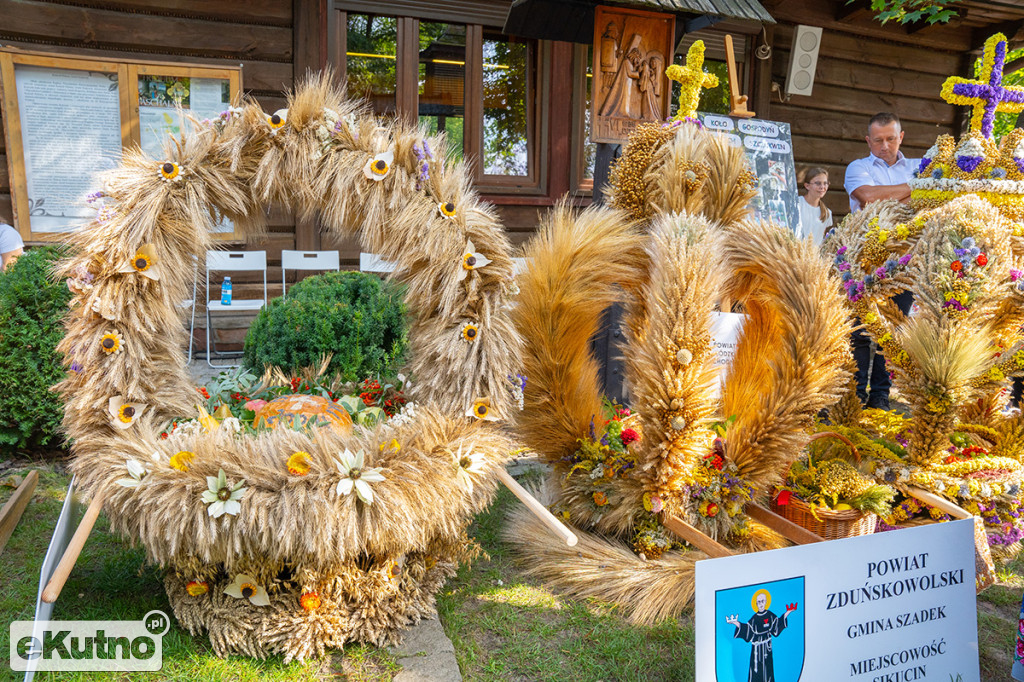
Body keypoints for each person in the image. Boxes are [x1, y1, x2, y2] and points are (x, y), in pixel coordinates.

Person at [844, 113, 918, 409]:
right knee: (861, 330)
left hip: (905, 261)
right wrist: (914, 189)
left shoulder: (918, 166)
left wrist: (890, 196)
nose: (885, 145)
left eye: (890, 138)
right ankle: (856, 393)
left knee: (894, 330)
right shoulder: (858, 167)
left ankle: (881, 395)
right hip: (864, 260)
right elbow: (868, 198)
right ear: (868, 141)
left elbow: (932, 201)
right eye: (878, 140)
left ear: (901, 136)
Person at [726, 589, 798, 682]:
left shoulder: (770, 615)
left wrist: (787, 613)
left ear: (766, 602)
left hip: (767, 649)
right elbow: (747, 630)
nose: (760, 604)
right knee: (756, 672)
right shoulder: (754, 618)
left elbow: (777, 625)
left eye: (762, 601)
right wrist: (736, 623)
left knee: (768, 671)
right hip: (756, 651)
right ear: (756, 603)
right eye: (758, 602)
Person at [797, 167, 832, 245]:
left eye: (825, 183)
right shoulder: (797, 204)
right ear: (807, 186)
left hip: (813, 256)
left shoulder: (827, 213)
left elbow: (820, 238)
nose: (822, 187)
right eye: (818, 183)